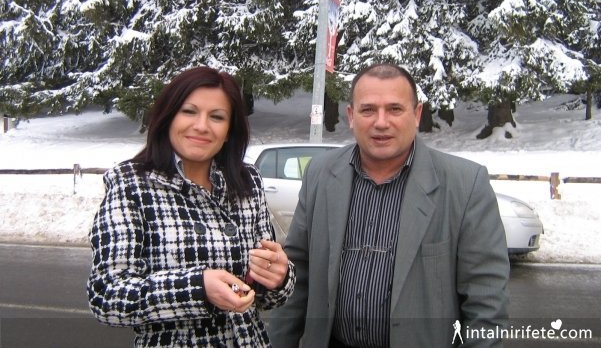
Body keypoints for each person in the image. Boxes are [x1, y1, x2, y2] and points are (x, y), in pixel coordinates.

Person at [268, 63, 509, 347]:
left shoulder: (466, 184)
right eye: (368, 110)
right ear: (351, 116)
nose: (381, 122)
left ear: (416, 114)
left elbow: (486, 303)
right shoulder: (320, 174)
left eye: (395, 109)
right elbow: (297, 275)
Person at [87, 66, 295, 347]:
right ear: (168, 117)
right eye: (189, 112)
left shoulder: (247, 182)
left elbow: (265, 296)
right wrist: (197, 288)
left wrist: (278, 277)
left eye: (217, 117)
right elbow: (106, 296)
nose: (201, 126)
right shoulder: (131, 184)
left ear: (228, 131)